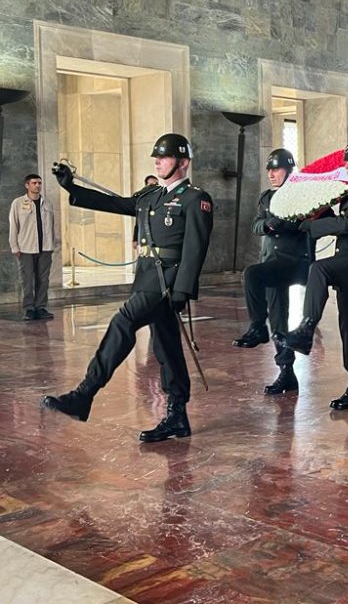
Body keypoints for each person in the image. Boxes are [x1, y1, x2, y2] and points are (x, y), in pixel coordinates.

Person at [42, 134, 213, 442]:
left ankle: (85, 394)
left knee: (123, 321)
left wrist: (182, 290)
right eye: (156, 157)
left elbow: (195, 249)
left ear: (183, 163)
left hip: (167, 284)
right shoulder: (150, 196)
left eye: (165, 157)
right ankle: (178, 416)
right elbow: (115, 203)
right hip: (147, 279)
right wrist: (71, 187)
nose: (158, 161)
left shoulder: (194, 198)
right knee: (167, 347)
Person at [276, 138, 348, 410]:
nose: (347, 165)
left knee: (319, 268)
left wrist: (310, 228)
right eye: (346, 161)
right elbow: (329, 210)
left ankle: (306, 329)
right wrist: (304, 209)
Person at [232, 148, 311, 395]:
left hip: (294, 262)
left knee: (252, 274)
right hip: (272, 261)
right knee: (278, 318)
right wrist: (266, 225)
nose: (271, 174)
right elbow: (256, 224)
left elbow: (305, 223)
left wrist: (283, 224)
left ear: (289, 170)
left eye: (276, 169)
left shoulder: (303, 195)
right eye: (269, 169)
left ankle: (257, 326)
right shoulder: (266, 197)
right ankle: (286, 373)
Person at [9, 173, 58, 321]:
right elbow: (13, 226)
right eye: (34, 183)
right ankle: (29, 308)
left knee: (43, 279)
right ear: (27, 185)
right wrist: (14, 247)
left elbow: (52, 225)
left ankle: (41, 307)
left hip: (45, 248)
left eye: (39, 183)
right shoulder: (18, 203)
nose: (38, 186)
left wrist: (53, 244)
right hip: (26, 248)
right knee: (27, 279)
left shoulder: (47, 203)